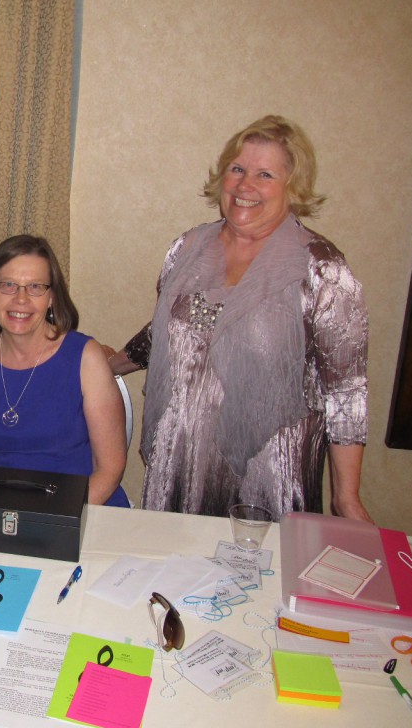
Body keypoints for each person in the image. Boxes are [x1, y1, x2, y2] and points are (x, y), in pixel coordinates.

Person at [108, 115, 372, 521]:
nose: (245, 185)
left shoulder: (321, 269)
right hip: (181, 459)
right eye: (237, 169)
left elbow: (346, 392)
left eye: (265, 174)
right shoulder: (187, 248)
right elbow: (167, 330)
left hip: (267, 472)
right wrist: (105, 367)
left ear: (293, 186)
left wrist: (346, 498)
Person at [0, 235, 129, 506]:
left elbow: (109, 470)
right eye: (8, 285)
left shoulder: (85, 357)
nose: (20, 299)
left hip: (84, 508)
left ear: (51, 298)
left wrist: (51, 522)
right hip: (8, 513)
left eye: (35, 286)